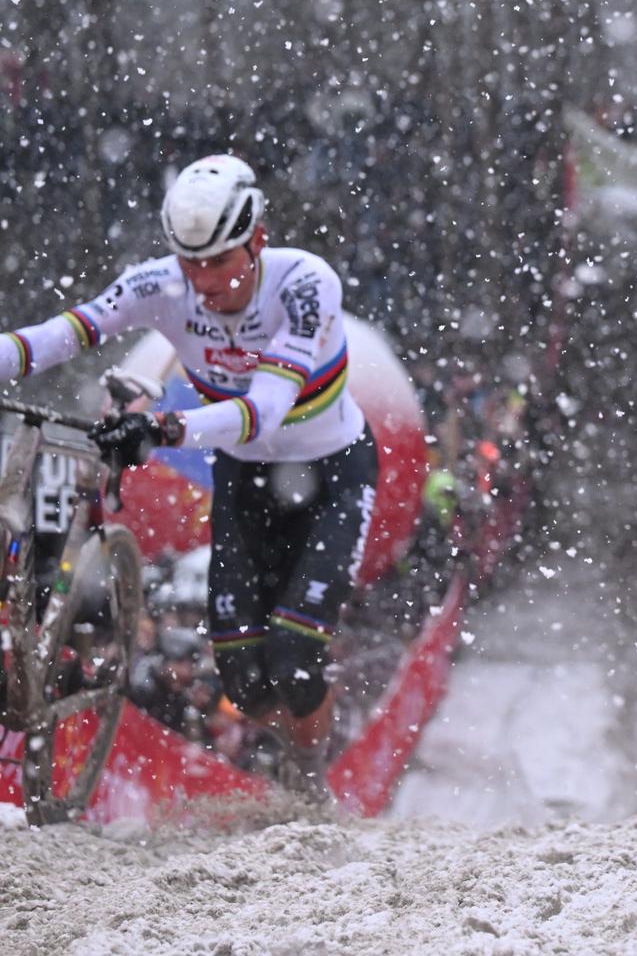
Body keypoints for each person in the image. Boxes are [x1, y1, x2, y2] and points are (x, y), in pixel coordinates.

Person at [0, 155, 374, 802]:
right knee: (245, 684)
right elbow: (66, 333)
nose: (202, 282)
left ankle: (312, 781)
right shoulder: (162, 284)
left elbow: (264, 411)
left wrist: (167, 429)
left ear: (256, 240)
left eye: (219, 263)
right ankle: (285, 748)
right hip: (249, 481)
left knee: (293, 657)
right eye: (189, 263)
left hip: (332, 473)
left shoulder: (305, 283)